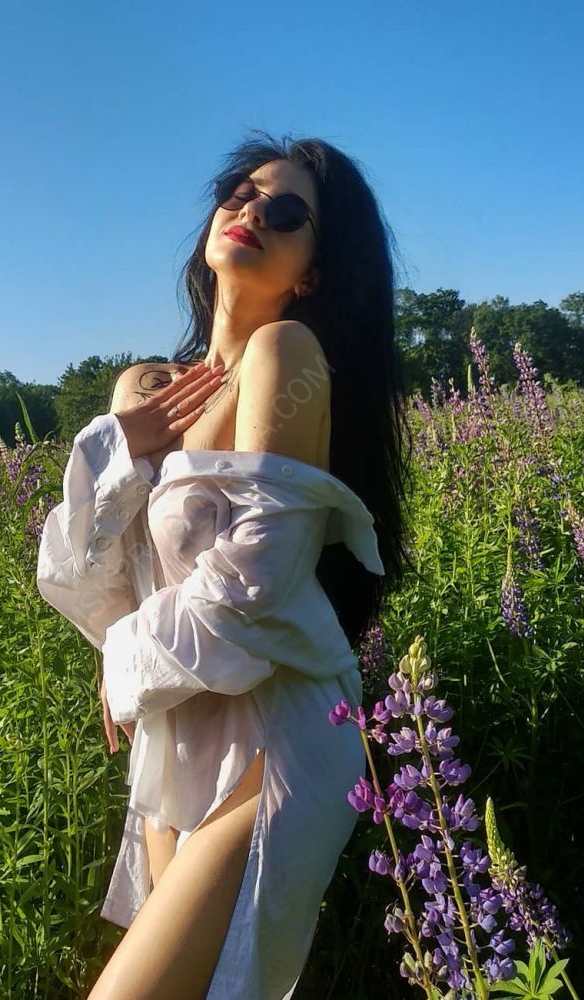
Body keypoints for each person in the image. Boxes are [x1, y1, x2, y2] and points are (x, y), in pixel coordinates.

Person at [37, 129, 413, 999]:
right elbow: (88, 574)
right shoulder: (143, 388)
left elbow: (254, 583)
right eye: (240, 193)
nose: (250, 210)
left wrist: (124, 663)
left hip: (273, 730)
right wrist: (110, 445)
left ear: (312, 272)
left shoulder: (286, 354)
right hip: (173, 727)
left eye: (286, 213)